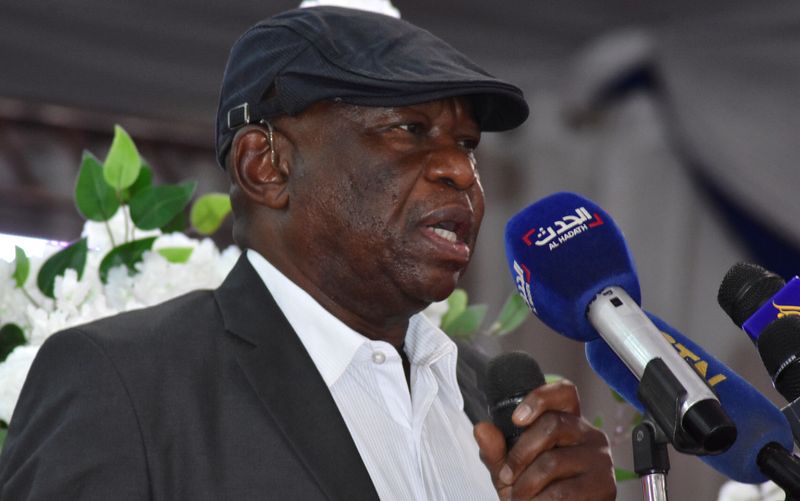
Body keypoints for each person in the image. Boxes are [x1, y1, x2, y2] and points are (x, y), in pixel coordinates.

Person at [0, 6, 615, 500]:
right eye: (410, 130)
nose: (460, 170)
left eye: (466, 144)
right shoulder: (127, 384)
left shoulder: (491, 398)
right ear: (265, 165)